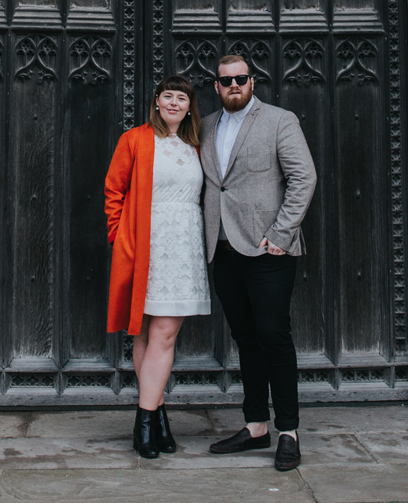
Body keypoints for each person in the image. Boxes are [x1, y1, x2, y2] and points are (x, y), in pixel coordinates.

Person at [201, 54, 317, 472]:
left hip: (269, 250)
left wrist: (282, 235)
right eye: (226, 80)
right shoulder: (207, 126)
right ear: (216, 86)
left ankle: (288, 431)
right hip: (223, 250)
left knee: (274, 336)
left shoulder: (279, 120)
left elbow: (304, 177)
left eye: (241, 78)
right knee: (245, 339)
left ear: (253, 82)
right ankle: (255, 427)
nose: (234, 85)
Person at [104, 75, 211, 459]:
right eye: (168, 96)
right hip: (145, 243)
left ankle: (153, 415)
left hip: (183, 244)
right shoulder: (135, 139)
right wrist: (119, 236)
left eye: (181, 98)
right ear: (156, 101)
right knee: (149, 332)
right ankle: (147, 421)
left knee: (163, 332)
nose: (174, 103)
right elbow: (114, 189)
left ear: (189, 106)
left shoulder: (195, 144)